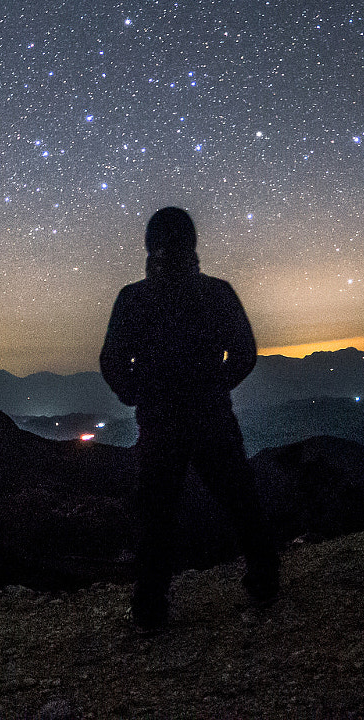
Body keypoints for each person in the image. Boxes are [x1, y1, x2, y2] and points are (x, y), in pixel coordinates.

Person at [99, 206, 279, 633]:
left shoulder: (134, 298)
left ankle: (150, 608)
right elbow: (245, 353)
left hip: (160, 423)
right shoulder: (216, 292)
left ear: (149, 246)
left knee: (156, 516)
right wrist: (215, 385)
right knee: (240, 500)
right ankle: (265, 581)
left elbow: (111, 360)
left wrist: (136, 393)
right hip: (211, 417)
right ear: (193, 244)